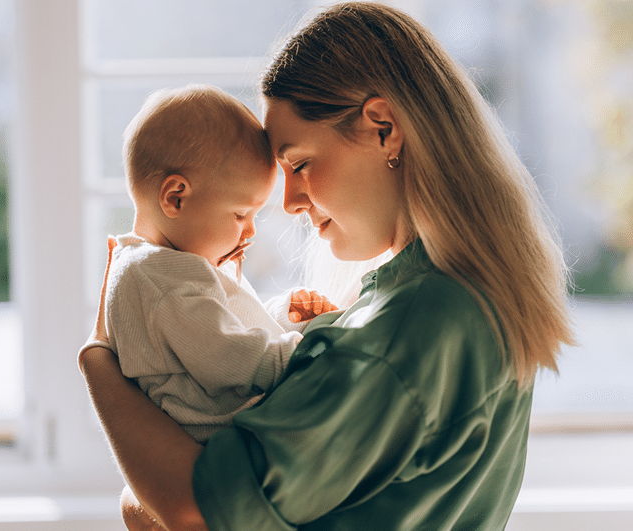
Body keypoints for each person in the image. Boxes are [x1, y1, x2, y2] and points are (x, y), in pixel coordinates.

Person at [78, 3, 576, 530]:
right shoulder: (450, 300)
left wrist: (98, 362)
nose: (289, 202)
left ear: (383, 129)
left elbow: (194, 510)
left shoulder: (405, 329)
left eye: (300, 164)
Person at [88, 84, 337, 443]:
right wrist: (306, 350)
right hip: (228, 443)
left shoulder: (159, 268)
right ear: (175, 198)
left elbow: (214, 329)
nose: (250, 230)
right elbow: (229, 359)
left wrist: (283, 317)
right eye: (240, 214)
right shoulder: (159, 278)